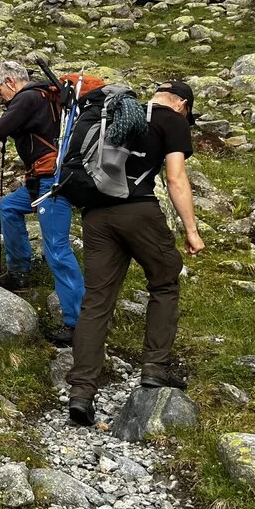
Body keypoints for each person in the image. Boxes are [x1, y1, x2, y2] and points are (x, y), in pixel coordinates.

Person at [65, 82, 205, 427]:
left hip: (96, 215)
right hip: (138, 210)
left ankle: (81, 392)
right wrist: (191, 230)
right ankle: (155, 368)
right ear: (182, 104)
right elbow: (175, 179)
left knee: (97, 300)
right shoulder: (172, 120)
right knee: (165, 279)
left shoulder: (116, 112)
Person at [0, 60, 85, 345]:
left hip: (52, 181)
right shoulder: (45, 95)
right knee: (9, 207)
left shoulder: (27, 98)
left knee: (57, 249)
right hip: (42, 179)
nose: (0, 99)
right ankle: (19, 272)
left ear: (10, 81)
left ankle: (79, 324)